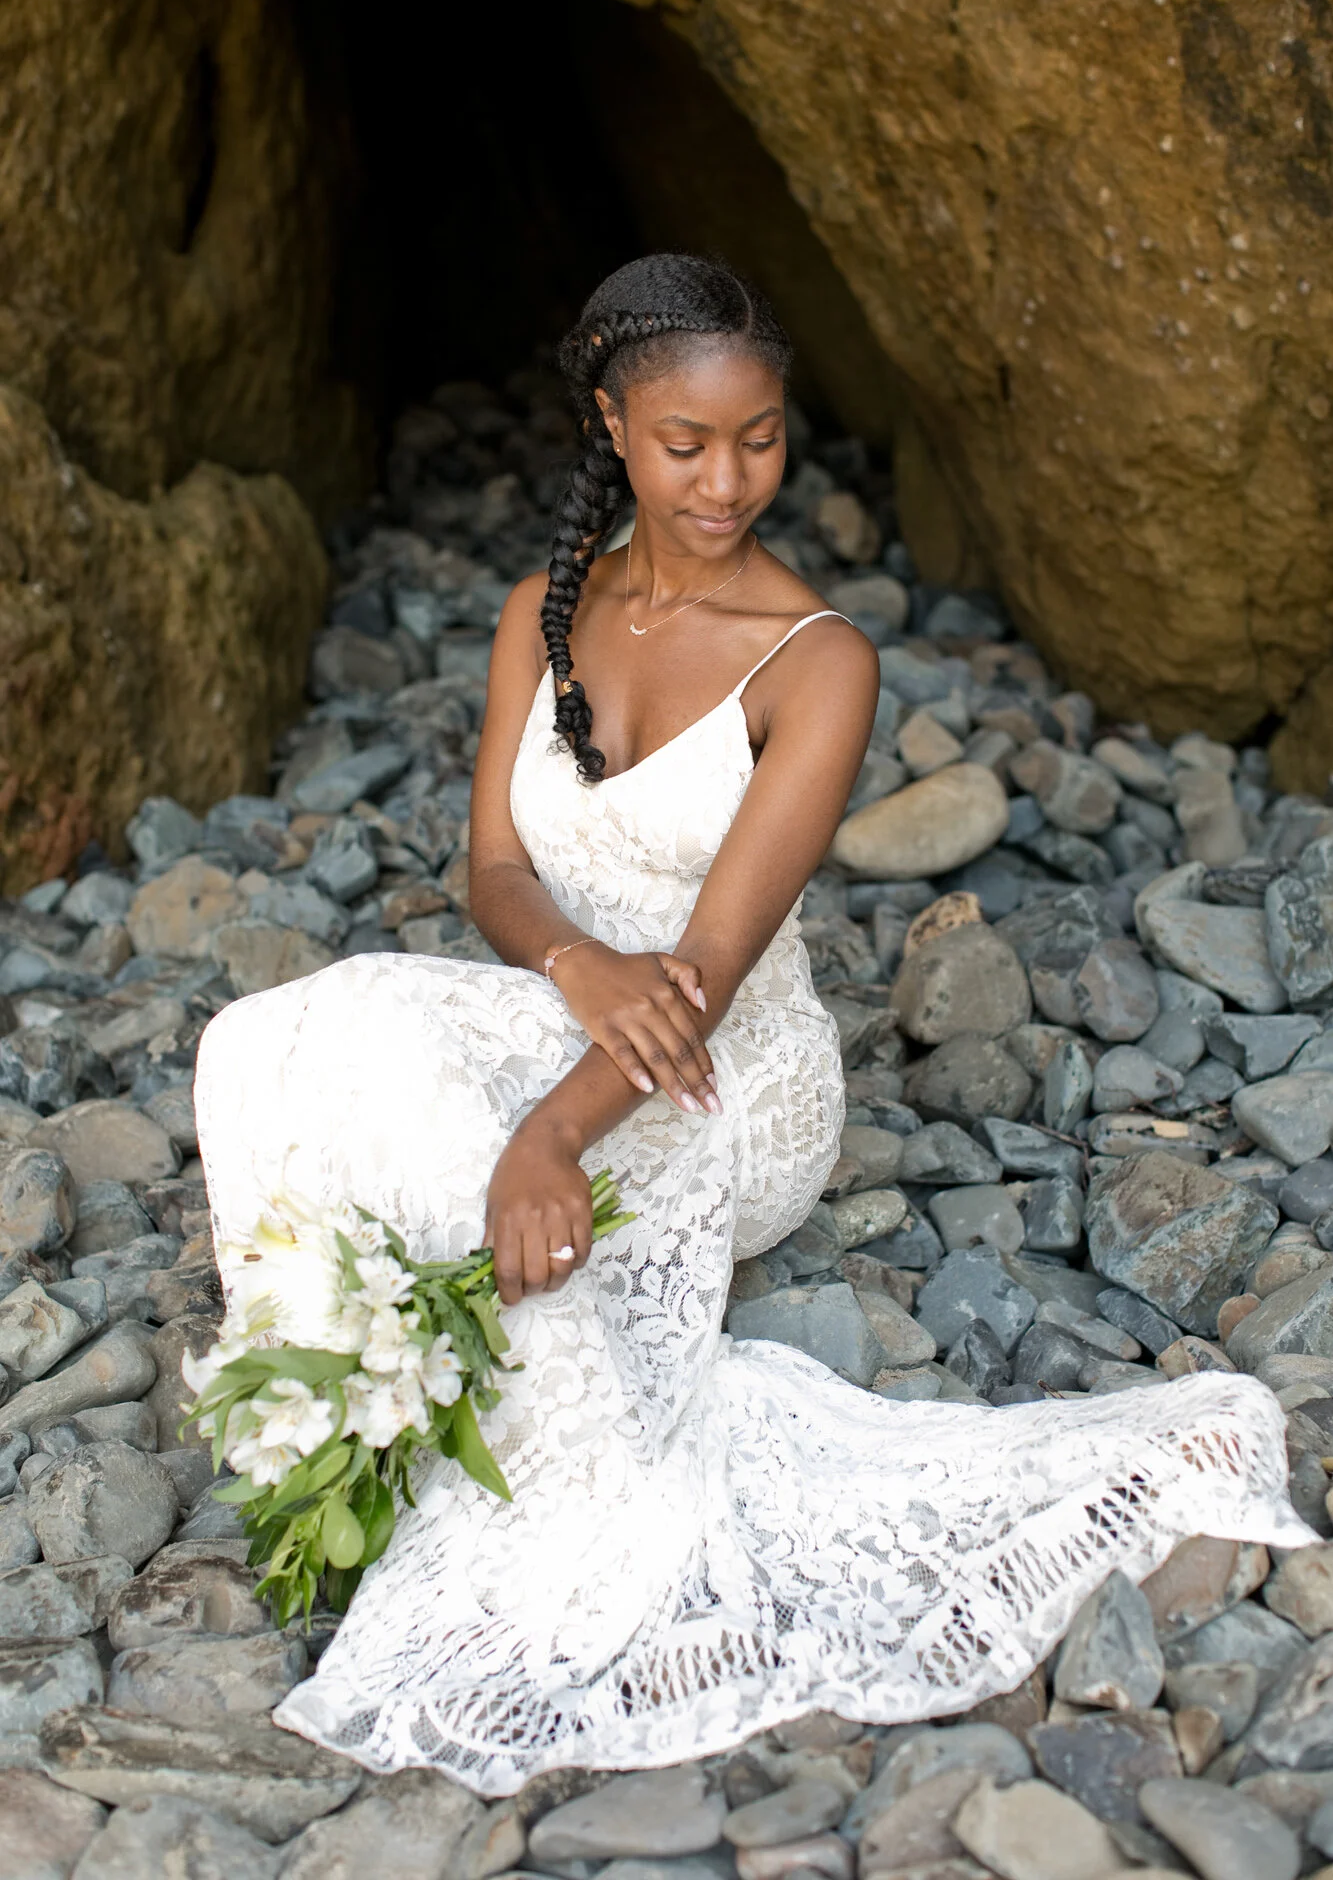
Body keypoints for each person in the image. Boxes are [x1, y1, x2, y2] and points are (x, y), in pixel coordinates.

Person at [195, 253, 1308, 1798]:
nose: (731, 482)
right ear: (612, 424)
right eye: (686, 445)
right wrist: (578, 973)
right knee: (279, 1034)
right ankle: (395, 1357)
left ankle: (560, 1493)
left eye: (762, 439)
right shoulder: (541, 613)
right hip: (570, 1018)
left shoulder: (822, 664)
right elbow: (494, 873)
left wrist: (548, 1136)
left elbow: (708, 974)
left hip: (731, 1081)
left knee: (457, 1153)